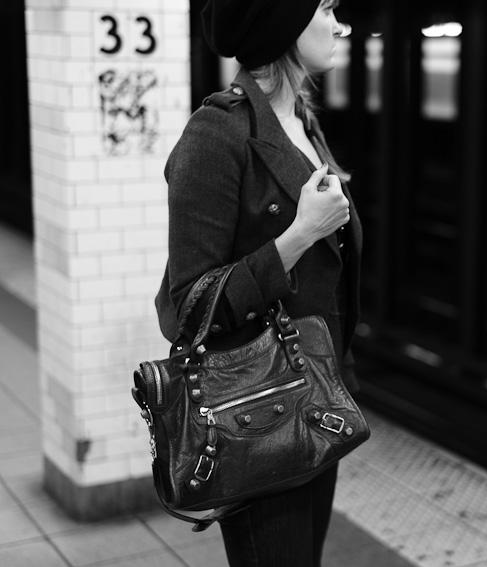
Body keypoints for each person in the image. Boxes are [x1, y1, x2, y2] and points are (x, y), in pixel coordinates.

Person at [153, 0, 361, 564]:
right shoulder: (216, 134)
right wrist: (300, 235)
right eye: (325, 8)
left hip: (317, 400)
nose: (340, 24)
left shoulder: (302, 123)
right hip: (257, 413)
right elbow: (189, 306)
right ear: (281, 22)